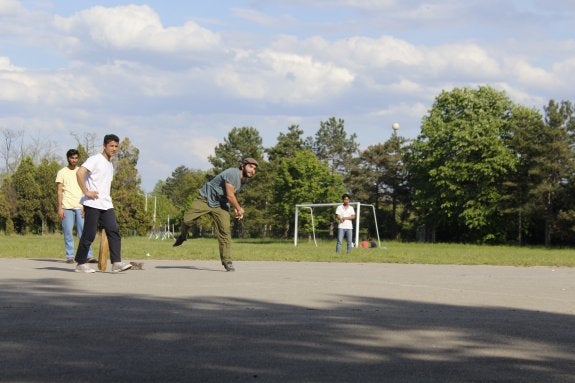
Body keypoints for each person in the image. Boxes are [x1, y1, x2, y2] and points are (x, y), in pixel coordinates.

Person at [173, 158, 259, 272]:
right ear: (243, 166)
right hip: (205, 199)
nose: (252, 170)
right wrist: (239, 209)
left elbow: (231, 194)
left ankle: (227, 261)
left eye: (254, 168)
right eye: (250, 167)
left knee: (225, 231)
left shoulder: (244, 180)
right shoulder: (233, 173)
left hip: (221, 205)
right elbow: (230, 196)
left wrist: (235, 208)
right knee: (186, 220)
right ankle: (183, 236)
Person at [74, 134, 132, 273]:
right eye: (111, 146)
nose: (114, 149)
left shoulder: (110, 165)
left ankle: (116, 263)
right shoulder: (95, 159)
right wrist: (86, 192)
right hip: (93, 203)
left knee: (114, 230)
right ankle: (80, 263)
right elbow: (79, 173)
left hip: (106, 204)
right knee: (89, 234)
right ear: (104, 146)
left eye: (116, 146)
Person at [55, 149, 94, 263]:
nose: (74, 160)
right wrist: (60, 207)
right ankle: (70, 256)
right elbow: (59, 191)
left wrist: (85, 205)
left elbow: (86, 188)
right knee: (68, 232)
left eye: (76, 158)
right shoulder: (61, 172)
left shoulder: (81, 172)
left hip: (80, 206)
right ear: (68, 158)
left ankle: (88, 255)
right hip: (66, 207)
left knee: (84, 232)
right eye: (72, 158)